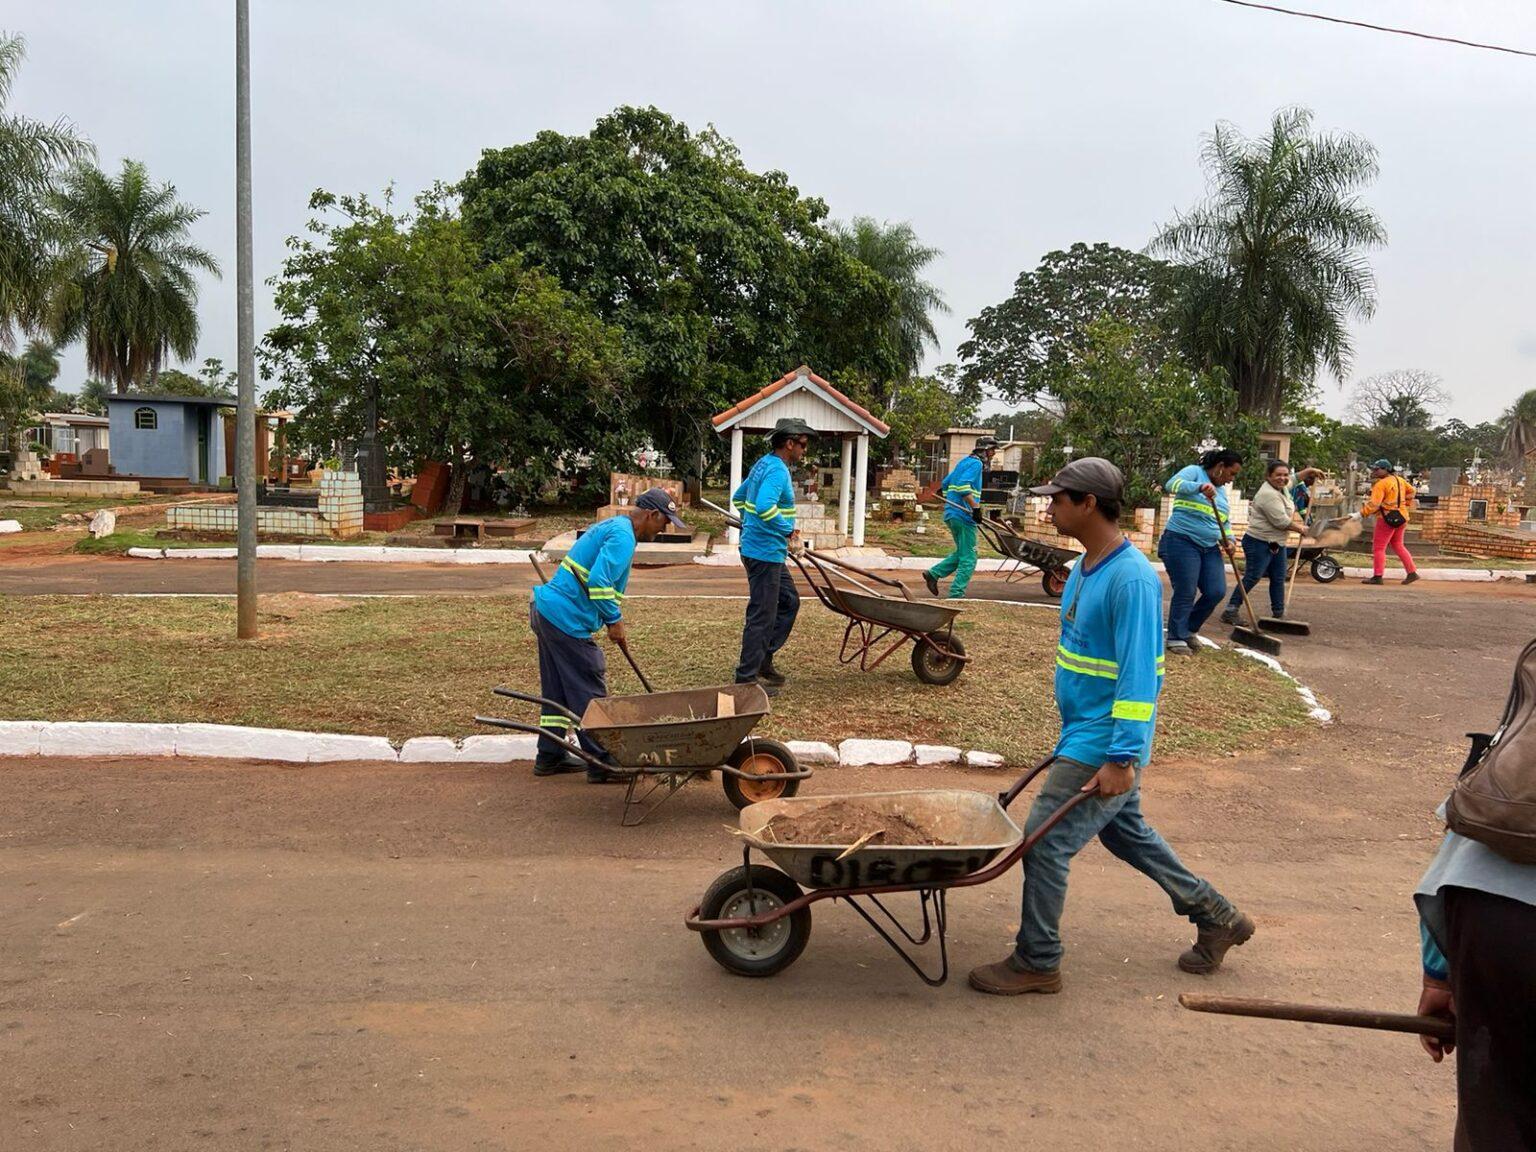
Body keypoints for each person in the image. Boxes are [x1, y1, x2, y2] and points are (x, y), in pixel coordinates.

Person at [969, 457, 1254, 996]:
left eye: (1058, 498)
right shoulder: (1083, 567)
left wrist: (1122, 757)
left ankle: (1038, 960)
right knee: (1128, 836)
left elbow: (1140, 677)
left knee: (1044, 844)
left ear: (1089, 504)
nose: (1049, 507)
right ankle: (1219, 917)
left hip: (1103, 739)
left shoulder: (1133, 580)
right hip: (1082, 730)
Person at [529, 488, 686, 782]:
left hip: (548, 612)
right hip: (564, 618)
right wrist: (614, 619)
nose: (663, 529)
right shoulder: (623, 537)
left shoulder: (615, 528)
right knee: (588, 682)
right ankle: (603, 763)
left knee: (559, 692)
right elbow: (600, 581)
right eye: (664, 522)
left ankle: (549, 755)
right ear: (651, 515)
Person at [1414, 803, 1536, 1148]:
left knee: (1495, 1113)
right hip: (1493, 908)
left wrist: (1438, 974)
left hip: (1485, 901)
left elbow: (1473, 806)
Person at [732, 418, 812, 695]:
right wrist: (789, 531)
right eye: (802, 444)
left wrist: (749, 522)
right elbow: (765, 507)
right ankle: (746, 680)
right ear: (789, 443)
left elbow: (739, 499)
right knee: (762, 615)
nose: (804, 450)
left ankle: (763, 660)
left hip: (766, 550)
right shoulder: (777, 470)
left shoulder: (763, 464)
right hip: (764, 553)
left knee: (789, 601)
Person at [1157, 448, 1244, 656]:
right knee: (1186, 590)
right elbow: (1171, 485)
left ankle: (1187, 630)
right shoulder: (1194, 472)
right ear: (1220, 466)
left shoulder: (1221, 491)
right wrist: (1199, 487)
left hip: (1209, 547)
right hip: (1181, 541)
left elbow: (1224, 520)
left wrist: (1230, 540)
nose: (1231, 480)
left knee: (1216, 591)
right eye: (1231, 473)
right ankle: (1176, 637)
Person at [1221, 460, 1309, 625]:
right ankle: (1230, 610)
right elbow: (1281, 521)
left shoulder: (1281, 488)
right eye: (1278, 475)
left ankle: (1278, 614)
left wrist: (1310, 470)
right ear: (1268, 476)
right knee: (1253, 576)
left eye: (1285, 475)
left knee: (1278, 577)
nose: (1282, 478)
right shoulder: (1268, 494)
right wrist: (1301, 529)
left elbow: (1294, 479)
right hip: (1258, 542)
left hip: (1277, 543)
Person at [924, 435, 997, 600]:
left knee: (962, 552)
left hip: (951, 514)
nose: (993, 454)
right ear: (984, 451)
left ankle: (934, 574)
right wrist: (976, 508)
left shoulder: (964, 462)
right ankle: (956, 594)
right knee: (970, 557)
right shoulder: (976, 464)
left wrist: (949, 496)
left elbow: (945, 484)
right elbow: (964, 486)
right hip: (964, 515)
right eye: (992, 450)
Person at [1354, 458, 1419, 586]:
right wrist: (1405, 503)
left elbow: (1374, 504)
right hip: (1402, 517)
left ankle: (1378, 576)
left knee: (1378, 548)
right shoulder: (1400, 481)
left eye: (1377, 469)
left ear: (1386, 469)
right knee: (1398, 545)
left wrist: (1360, 514)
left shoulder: (1381, 484)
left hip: (1386, 519)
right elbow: (1412, 491)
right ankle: (1412, 573)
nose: (1375, 471)